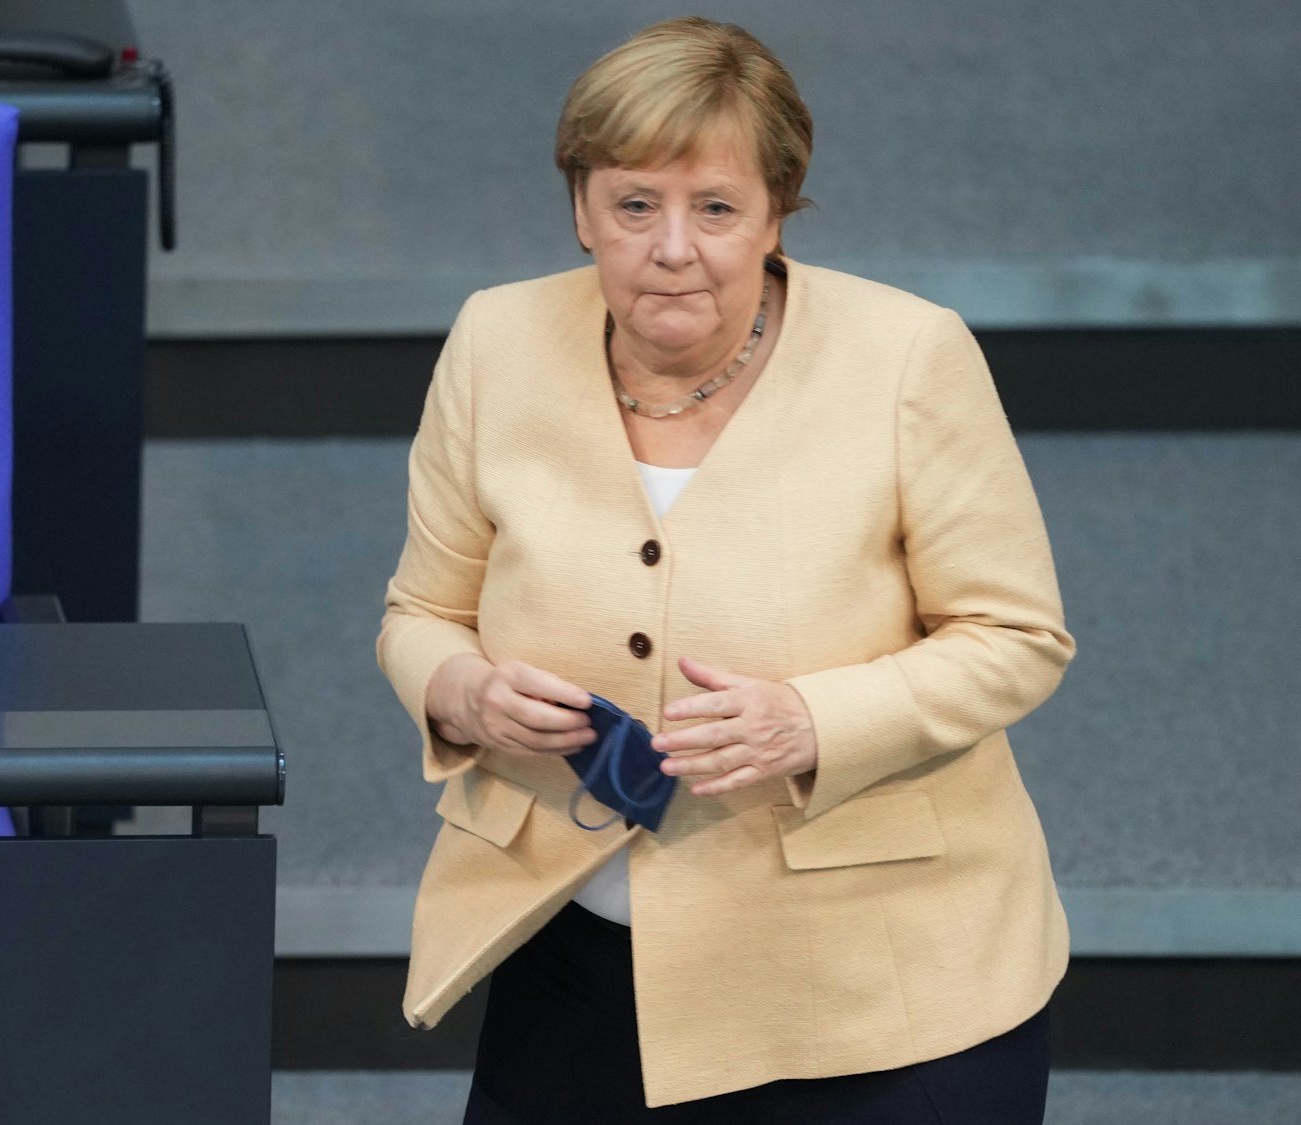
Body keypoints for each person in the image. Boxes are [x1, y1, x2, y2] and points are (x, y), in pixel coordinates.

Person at [376, 16, 1076, 1122]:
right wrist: (461, 691)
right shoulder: (493, 340)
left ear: (774, 215)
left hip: (878, 983)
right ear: (580, 208)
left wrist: (810, 721)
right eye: (633, 204)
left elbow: (1016, 638)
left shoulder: (906, 356)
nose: (670, 247)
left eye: (714, 208)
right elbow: (421, 611)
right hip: (572, 959)